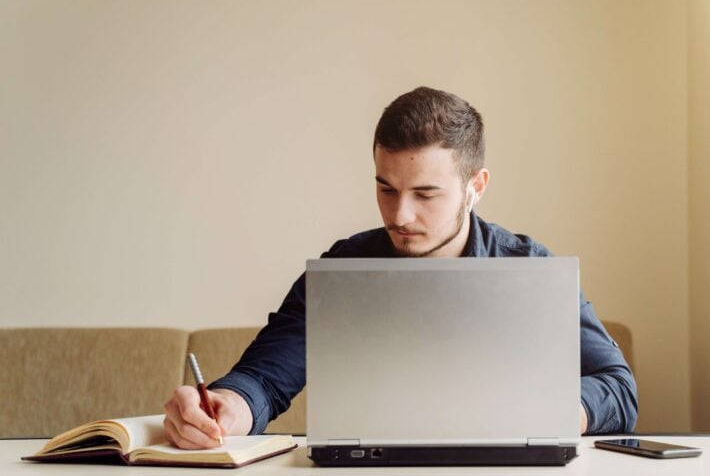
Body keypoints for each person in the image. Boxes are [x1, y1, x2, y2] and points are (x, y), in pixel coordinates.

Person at [163, 87, 639, 449]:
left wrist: (550, 412)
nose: (399, 215)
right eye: (386, 189)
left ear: (477, 186)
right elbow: (265, 378)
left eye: (425, 194)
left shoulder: (530, 267)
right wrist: (229, 408)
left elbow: (618, 389)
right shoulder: (344, 268)